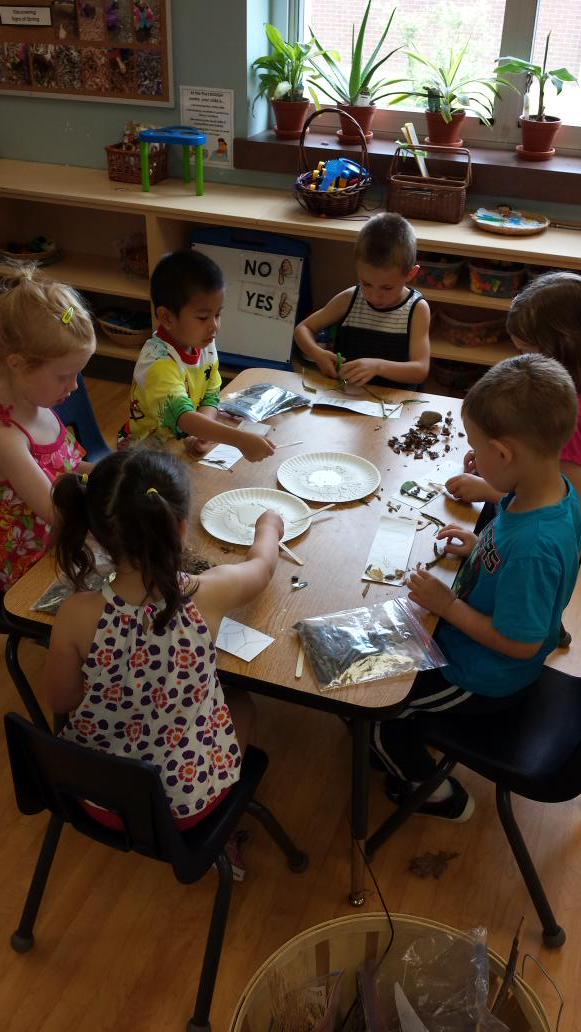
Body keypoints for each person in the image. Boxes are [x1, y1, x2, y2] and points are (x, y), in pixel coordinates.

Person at [373, 354, 581, 821]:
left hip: (481, 677)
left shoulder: (534, 545)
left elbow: (521, 643)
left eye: (476, 447)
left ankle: (442, 797)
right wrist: (479, 546)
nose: (473, 457)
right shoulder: (548, 493)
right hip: (468, 645)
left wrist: (446, 604)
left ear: (504, 453)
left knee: (379, 716)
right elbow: (512, 558)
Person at [43, 447, 284, 843]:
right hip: (186, 808)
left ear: (96, 533)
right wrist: (269, 526)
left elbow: (61, 701)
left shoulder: (76, 613)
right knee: (241, 703)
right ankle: (229, 833)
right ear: (182, 528)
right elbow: (263, 566)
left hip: (98, 797)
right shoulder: (209, 592)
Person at [118, 249, 275, 462]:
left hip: (180, 441)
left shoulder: (204, 345)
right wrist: (239, 439)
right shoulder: (157, 365)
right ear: (167, 317)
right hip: (145, 456)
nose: (214, 326)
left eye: (218, 314)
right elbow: (183, 417)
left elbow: (210, 394)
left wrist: (200, 433)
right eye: (203, 317)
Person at [0, 263, 95, 592]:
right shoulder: (8, 438)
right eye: (64, 376)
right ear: (18, 364)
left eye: (77, 375)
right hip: (29, 564)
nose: (74, 387)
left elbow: (66, 469)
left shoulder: (41, 404)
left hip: (61, 540)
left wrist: (114, 476)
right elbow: (56, 511)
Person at [447, 272, 581, 504]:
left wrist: (491, 491)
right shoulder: (558, 394)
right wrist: (492, 458)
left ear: (560, 353)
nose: (519, 359)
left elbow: (567, 502)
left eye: (525, 351)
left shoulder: (573, 417)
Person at [294, 212, 430, 389]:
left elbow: (420, 370)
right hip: (347, 395)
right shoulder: (350, 299)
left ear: (411, 274)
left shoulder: (417, 309)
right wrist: (318, 354)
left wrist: (378, 367)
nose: (374, 296)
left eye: (387, 288)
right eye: (366, 284)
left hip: (394, 403)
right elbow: (302, 329)